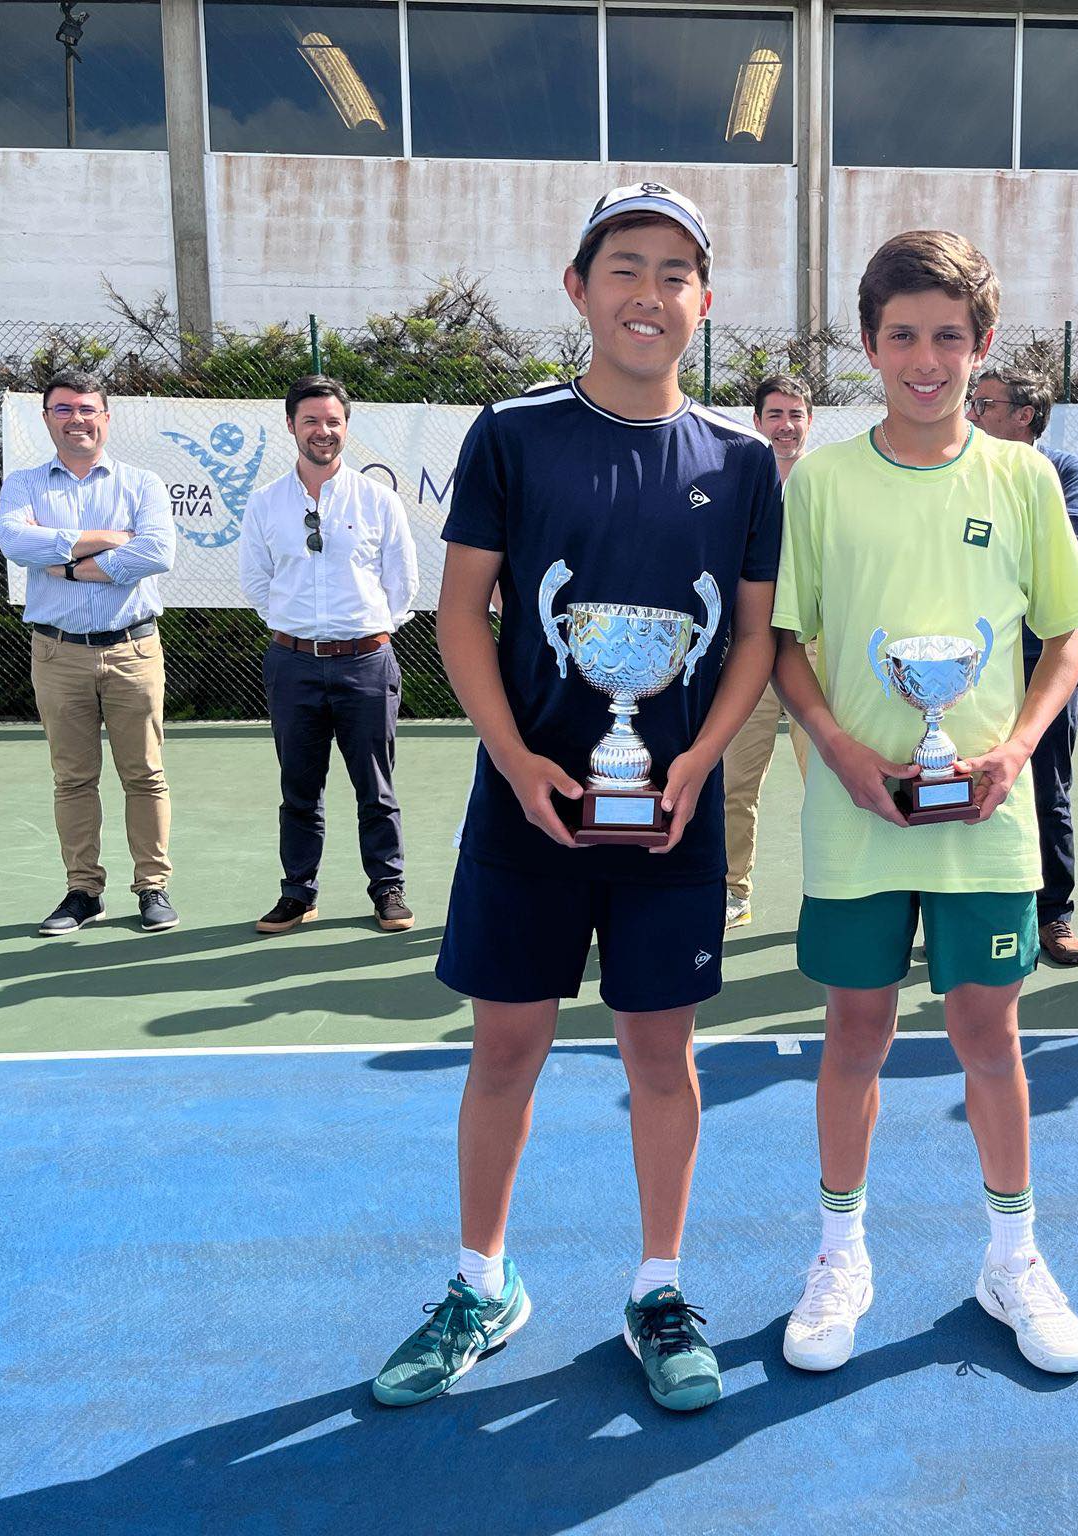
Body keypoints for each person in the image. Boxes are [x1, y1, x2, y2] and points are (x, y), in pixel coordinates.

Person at [372, 184, 782, 1414]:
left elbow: (754, 640)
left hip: (672, 816)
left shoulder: (742, 461)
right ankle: (479, 1283)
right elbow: (460, 613)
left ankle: (657, 1288)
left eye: (674, 273)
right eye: (624, 268)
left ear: (703, 301)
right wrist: (513, 758)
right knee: (505, 1047)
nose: (648, 294)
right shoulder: (513, 434)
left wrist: (699, 760)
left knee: (661, 1053)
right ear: (578, 288)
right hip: (526, 806)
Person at [771, 230, 1078, 1377]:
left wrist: (1012, 752)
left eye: (947, 337)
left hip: (984, 818)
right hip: (854, 814)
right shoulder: (820, 482)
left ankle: (1011, 1260)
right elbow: (785, 646)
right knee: (854, 1032)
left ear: (982, 345)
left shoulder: (1021, 478)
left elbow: (1064, 639)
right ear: (867, 345)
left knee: (986, 1036)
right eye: (902, 335)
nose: (925, 359)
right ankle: (837, 1255)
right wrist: (836, 750)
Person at [0, 367, 178, 936]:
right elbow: (14, 540)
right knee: (73, 779)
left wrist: (71, 566)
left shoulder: (142, 483)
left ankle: (152, 887)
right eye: (64, 409)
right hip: (57, 654)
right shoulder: (24, 484)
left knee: (144, 775)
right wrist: (107, 540)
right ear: (47, 418)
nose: (77, 419)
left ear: (105, 417)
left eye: (86, 409)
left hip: (133, 649)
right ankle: (84, 892)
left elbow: (157, 552)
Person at [239, 375, 419, 935]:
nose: (323, 431)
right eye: (311, 420)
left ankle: (387, 888)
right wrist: (302, 632)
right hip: (291, 664)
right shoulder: (265, 503)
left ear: (346, 427)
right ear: (291, 425)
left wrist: (361, 633)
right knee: (298, 788)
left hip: (366, 663)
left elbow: (402, 583)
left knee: (376, 788)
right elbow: (257, 581)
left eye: (333, 421)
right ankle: (298, 894)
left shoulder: (378, 500)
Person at [969, 365, 1078, 966]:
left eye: (984, 404)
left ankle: (1054, 916)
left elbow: (1072, 548)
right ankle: (960, 913)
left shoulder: (1061, 470)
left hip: (1042, 663)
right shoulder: (960, 470)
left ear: (1024, 415)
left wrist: (987, 544)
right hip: (972, 666)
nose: (971, 413)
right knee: (957, 781)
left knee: (1047, 790)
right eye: (973, 402)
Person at [720, 372, 816, 930]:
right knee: (734, 782)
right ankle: (732, 890)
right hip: (750, 656)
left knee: (827, 783)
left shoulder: (827, 485)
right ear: (756, 422)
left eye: (795, 415)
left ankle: (833, 892)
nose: (785, 425)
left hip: (813, 654)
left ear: (810, 421)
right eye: (775, 415)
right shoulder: (735, 484)